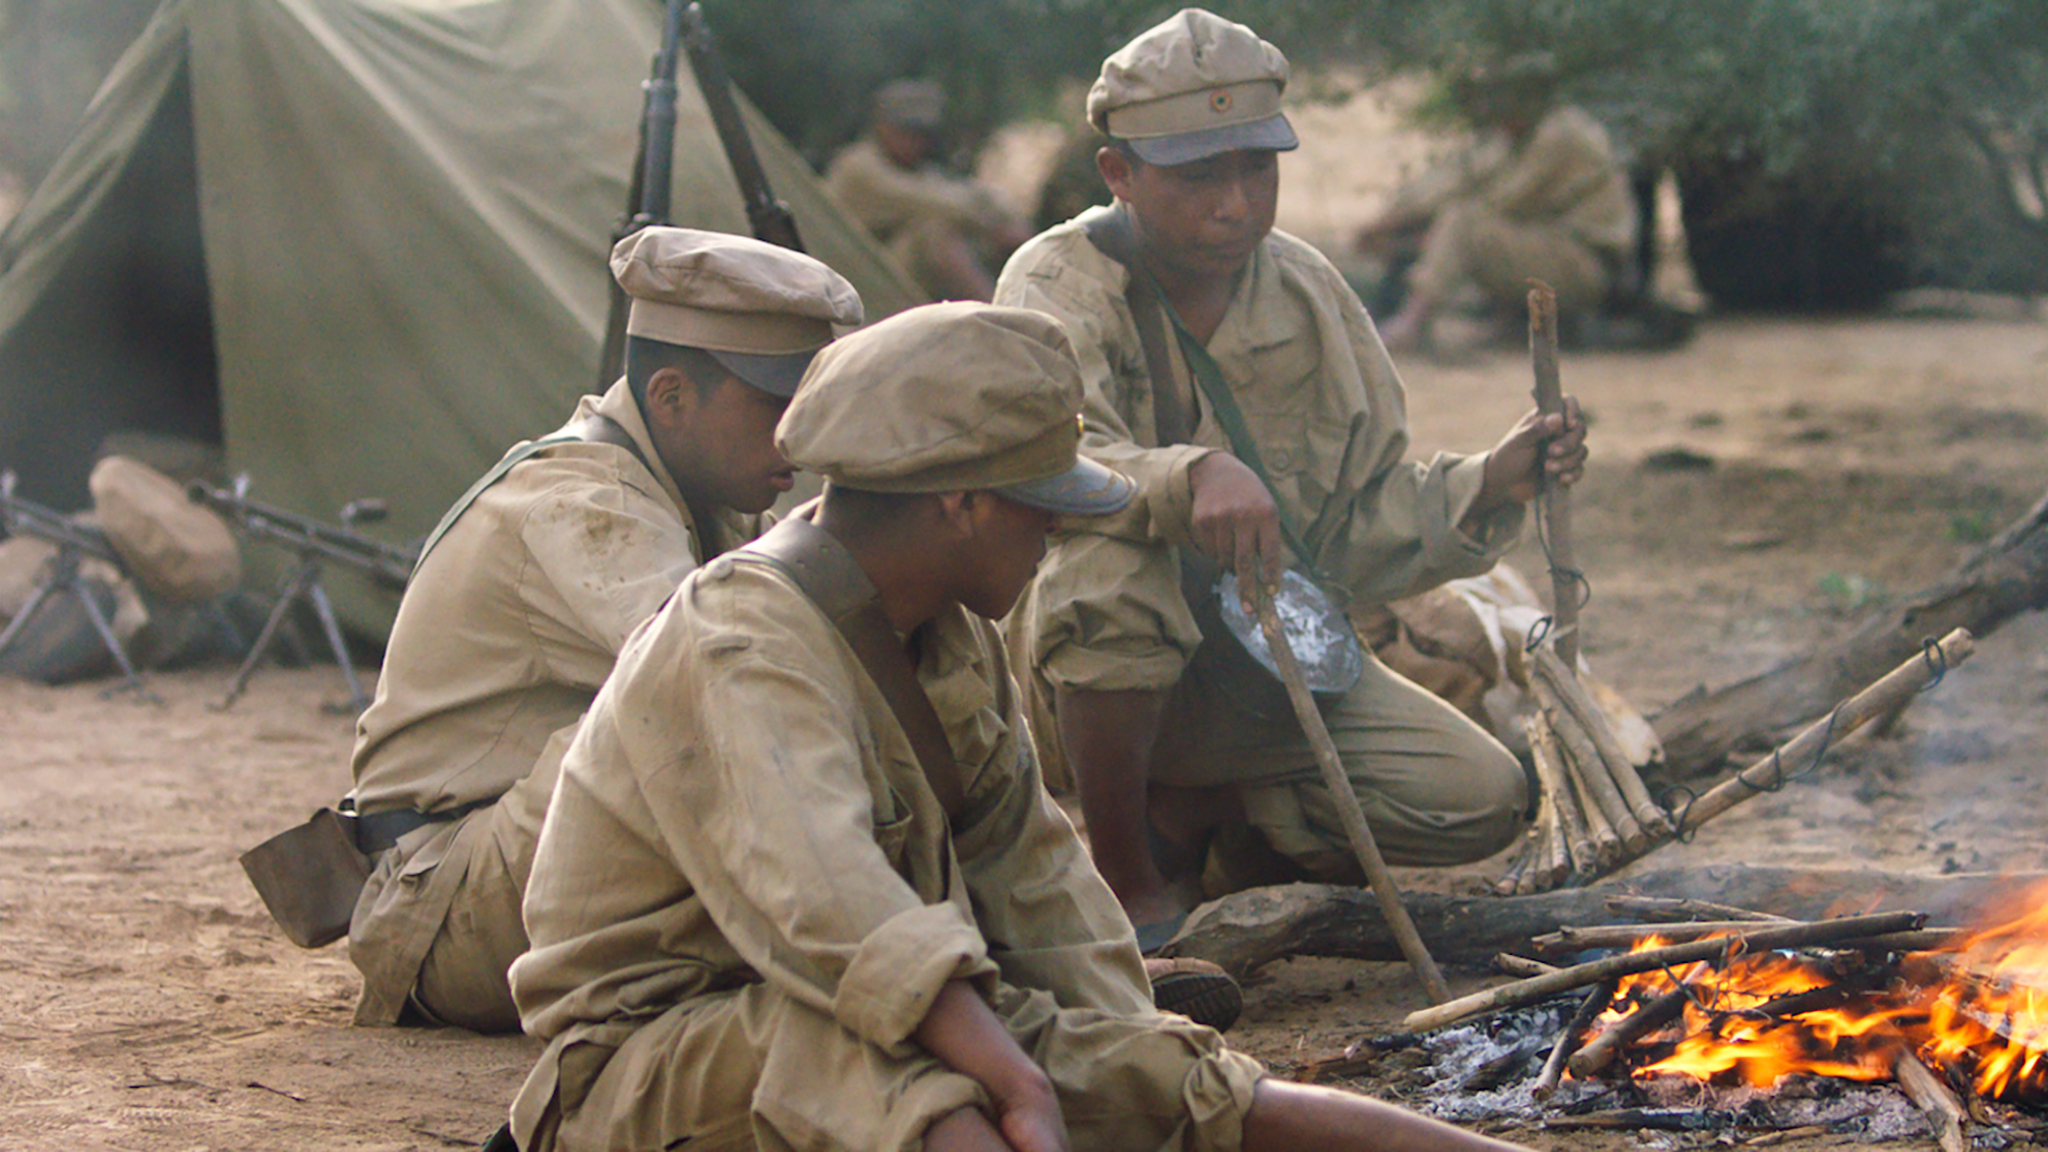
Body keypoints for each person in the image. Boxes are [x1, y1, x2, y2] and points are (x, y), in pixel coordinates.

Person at [504, 301, 1530, 1152]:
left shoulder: (945, 642)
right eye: (1041, 504)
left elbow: (1039, 889)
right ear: (959, 501)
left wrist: (1135, 1060)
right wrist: (1014, 1073)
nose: (1057, 530)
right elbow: (827, 899)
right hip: (650, 1055)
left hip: (861, 1008)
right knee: (941, 1107)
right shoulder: (742, 641)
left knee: (1188, 1089)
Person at [992, 9, 1588, 946]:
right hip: (1088, 663)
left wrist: (1491, 482)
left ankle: (1207, 814)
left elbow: (1353, 523)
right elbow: (1049, 467)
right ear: (1119, 174)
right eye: (1198, 176)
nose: (1236, 204)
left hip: (1269, 654)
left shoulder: (1309, 292)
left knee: (1477, 797)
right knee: (1114, 567)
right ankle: (1126, 878)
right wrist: (1190, 476)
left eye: (1257, 169)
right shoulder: (1054, 282)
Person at [342, 227, 863, 1033]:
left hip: (498, 875)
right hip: (439, 912)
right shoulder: (587, 504)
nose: (799, 435)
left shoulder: (696, 488)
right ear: (670, 397)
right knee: (682, 712)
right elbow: (734, 680)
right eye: (777, 407)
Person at [1353, 54, 1638, 353]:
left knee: (1464, 222)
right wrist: (1390, 224)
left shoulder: (1561, 134)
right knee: (1461, 223)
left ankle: (1411, 322)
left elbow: (1501, 202)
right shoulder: (1524, 135)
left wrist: (1417, 235)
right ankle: (1503, 323)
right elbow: (1456, 182)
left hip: (1586, 266)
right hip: (1562, 254)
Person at [825, 78, 1031, 302]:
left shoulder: (921, 171)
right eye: (905, 132)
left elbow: (974, 194)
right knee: (935, 232)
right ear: (882, 127)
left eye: (921, 134)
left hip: (891, 274)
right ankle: (995, 310)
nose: (914, 142)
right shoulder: (857, 166)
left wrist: (1007, 221)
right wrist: (990, 224)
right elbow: (928, 201)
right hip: (851, 277)